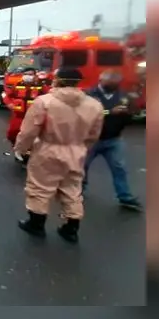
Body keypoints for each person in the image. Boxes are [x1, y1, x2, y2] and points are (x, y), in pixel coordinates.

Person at [14, 68, 104, 243]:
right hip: (76, 151)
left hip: (48, 150)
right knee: (72, 190)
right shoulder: (94, 105)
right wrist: (82, 147)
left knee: (40, 187)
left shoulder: (44, 102)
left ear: (57, 80)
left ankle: (36, 225)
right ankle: (71, 229)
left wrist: (21, 149)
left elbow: (29, 131)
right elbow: (94, 134)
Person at [83, 70, 142, 211]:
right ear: (101, 81)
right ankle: (78, 191)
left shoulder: (123, 95)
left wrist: (130, 111)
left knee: (119, 168)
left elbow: (135, 115)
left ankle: (125, 196)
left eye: (116, 84)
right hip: (91, 139)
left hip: (114, 139)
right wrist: (109, 112)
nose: (114, 87)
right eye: (111, 84)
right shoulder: (89, 95)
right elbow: (87, 114)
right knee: (81, 167)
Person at [6, 70, 41, 146]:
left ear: (35, 75)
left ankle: (28, 149)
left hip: (34, 116)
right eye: (25, 74)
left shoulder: (40, 85)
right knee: (12, 133)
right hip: (19, 115)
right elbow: (7, 95)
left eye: (30, 74)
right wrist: (9, 103)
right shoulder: (17, 84)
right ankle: (15, 145)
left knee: (33, 135)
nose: (27, 76)